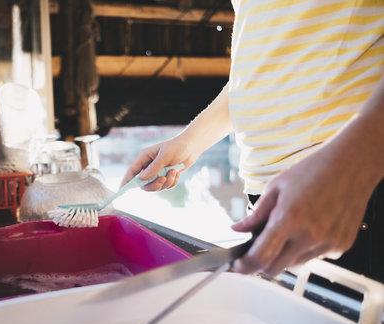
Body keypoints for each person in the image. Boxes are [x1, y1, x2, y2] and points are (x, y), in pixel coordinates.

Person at [121, 1, 384, 282]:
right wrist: (189, 141)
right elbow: (259, 69)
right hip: (269, 196)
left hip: (349, 190)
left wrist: (354, 167)